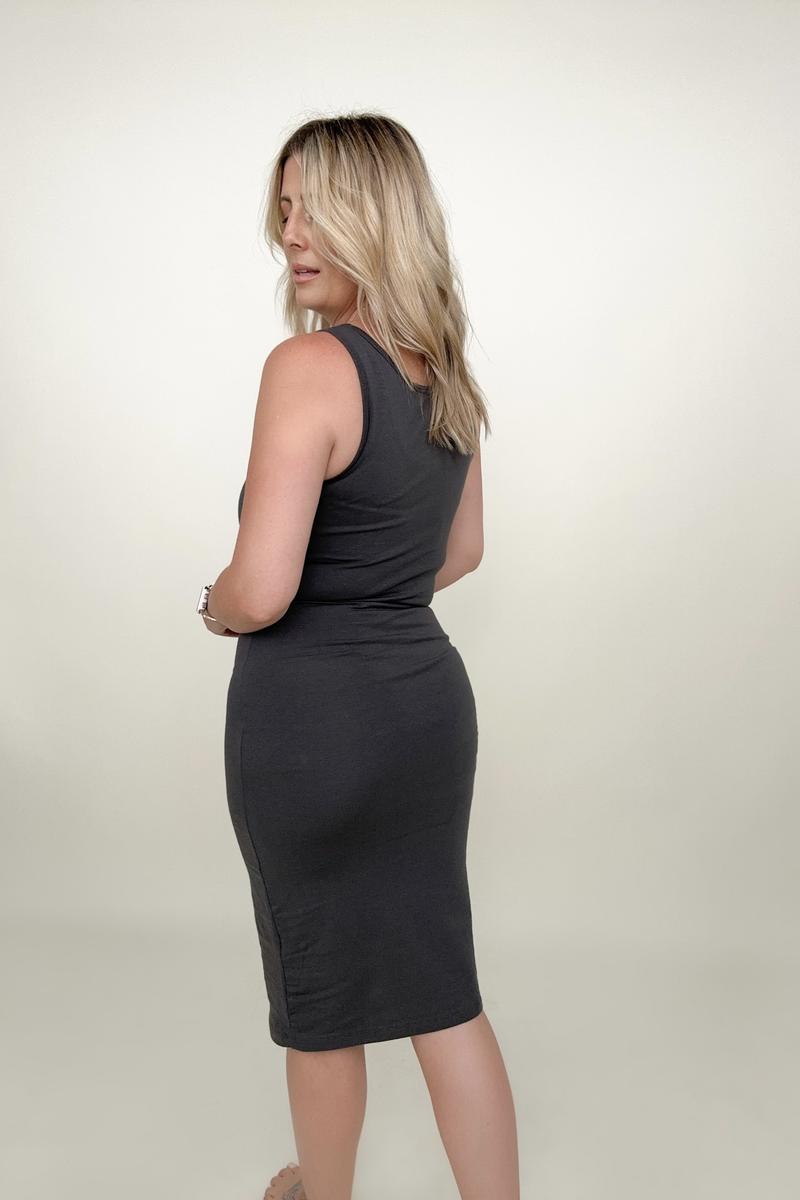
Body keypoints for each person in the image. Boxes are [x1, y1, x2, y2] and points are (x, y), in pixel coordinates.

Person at [197, 112, 519, 1200]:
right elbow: (461, 551)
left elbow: (262, 586)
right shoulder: (444, 372)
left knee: (323, 997)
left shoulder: (308, 366)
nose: (290, 234)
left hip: (311, 723)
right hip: (426, 711)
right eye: (284, 210)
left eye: (315, 210)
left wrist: (217, 606)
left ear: (375, 218)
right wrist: (376, 588)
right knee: (443, 990)